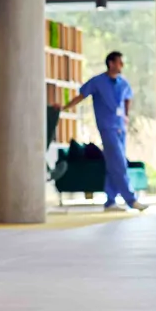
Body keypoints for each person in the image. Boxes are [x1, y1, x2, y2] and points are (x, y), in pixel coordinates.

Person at [63, 52, 148, 212]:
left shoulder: (123, 83)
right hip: (107, 127)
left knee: (112, 164)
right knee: (119, 163)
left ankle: (110, 201)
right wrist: (64, 108)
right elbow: (81, 95)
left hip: (120, 127)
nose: (121, 66)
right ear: (111, 63)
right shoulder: (97, 82)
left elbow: (127, 99)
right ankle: (131, 199)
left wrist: (126, 117)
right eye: (119, 63)